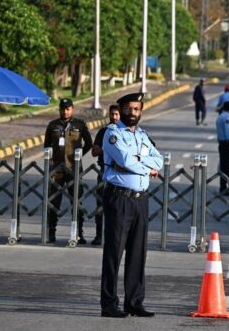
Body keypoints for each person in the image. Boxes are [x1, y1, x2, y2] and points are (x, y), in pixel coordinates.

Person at [100, 92, 163, 318]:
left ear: (141, 111)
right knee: (114, 253)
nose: (132, 113)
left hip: (141, 199)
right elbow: (125, 160)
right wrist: (146, 166)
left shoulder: (143, 136)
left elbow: (159, 160)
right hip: (119, 198)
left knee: (138, 253)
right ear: (121, 109)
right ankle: (109, 304)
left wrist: (141, 162)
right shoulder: (113, 134)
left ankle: (134, 302)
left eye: (137, 109)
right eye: (128, 109)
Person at [44, 98, 93, 244]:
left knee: (77, 201)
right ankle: (51, 232)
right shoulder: (52, 125)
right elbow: (47, 146)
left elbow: (89, 143)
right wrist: (51, 159)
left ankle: (78, 233)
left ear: (72, 109)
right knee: (54, 201)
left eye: (68, 109)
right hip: (57, 169)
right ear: (59, 110)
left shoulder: (80, 124)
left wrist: (78, 156)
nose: (65, 112)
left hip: (74, 168)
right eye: (62, 109)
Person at [89, 105, 120, 246]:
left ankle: (117, 236)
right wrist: (109, 149)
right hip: (104, 171)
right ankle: (99, 235)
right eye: (112, 114)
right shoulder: (103, 131)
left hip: (120, 174)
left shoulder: (125, 132)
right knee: (101, 204)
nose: (114, 117)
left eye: (117, 114)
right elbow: (94, 151)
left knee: (119, 207)